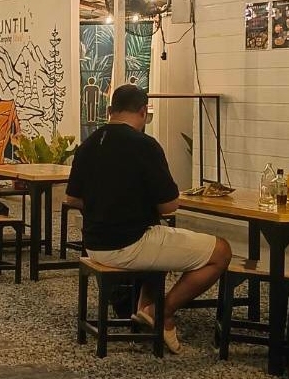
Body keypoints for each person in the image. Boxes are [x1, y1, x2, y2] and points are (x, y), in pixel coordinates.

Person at [64, 84, 231, 354]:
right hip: (130, 243)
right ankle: (162, 312)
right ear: (143, 112)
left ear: (110, 110)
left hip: (93, 244)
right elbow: (168, 206)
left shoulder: (88, 144)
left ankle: (145, 305)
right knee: (221, 251)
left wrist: (103, 205)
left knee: (166, 244)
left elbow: (72, 198)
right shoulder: (145, 145)